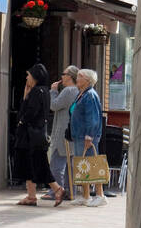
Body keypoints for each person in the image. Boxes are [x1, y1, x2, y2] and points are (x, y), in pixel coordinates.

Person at [13, 63, 67, 207]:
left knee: (38, 165)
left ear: (35, 77)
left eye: (28, 75)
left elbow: (30, 112)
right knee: (32, 165)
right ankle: (32, 196)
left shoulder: (36, 92)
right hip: (38, 135)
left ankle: (57, 189)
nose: (27, 78)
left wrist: (24, 102)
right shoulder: (45, 91)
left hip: (31, 136)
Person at [69, 68, 105, 206]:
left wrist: (89, 136)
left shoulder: (90, 95)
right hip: (79, 135)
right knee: (82, 165)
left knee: (92, 164)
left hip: (87, 136)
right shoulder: (81, 94)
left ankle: (100, 195)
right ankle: (86, 195)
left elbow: (93, 117)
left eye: (80, 76)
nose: (77, 78)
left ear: (87, 80)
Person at [45, 67, 81, 199]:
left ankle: (56, 192)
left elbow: (54, 105)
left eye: (63, 74)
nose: (61, 76)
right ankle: (70, 192)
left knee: (56, 163)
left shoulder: (68, 90)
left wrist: (53, 91)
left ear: (69, 76)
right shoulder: (78, 91)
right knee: (70, 165)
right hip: (72, 132)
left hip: (62, 133)